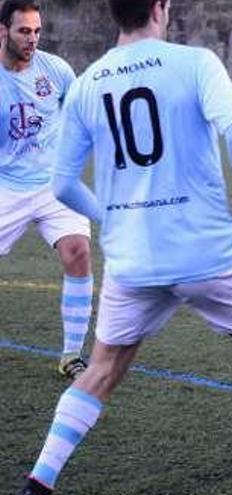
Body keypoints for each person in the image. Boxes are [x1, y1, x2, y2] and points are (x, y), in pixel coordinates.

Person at [17, 1, 232, 494]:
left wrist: (114, 218)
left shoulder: (87, 82)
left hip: (132, 261)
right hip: (207, 252)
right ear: (159, 7)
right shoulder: (194, 63)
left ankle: (37, 484)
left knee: (102, 369)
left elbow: (63, 184)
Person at [0, 0, 92, 379]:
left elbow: (81, 115)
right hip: (6, 186)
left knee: (79, 252)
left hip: (54, 185)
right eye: (24, 31)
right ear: (3, 31)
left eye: (37, 31)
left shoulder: (56, 70)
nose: (33, 39)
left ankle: (71, 355)